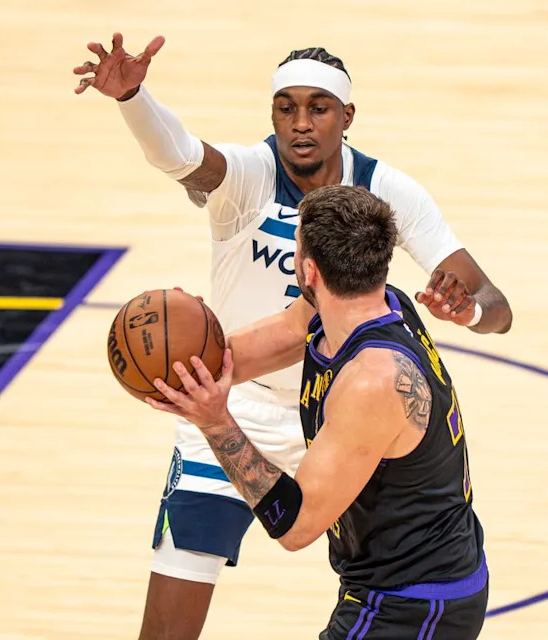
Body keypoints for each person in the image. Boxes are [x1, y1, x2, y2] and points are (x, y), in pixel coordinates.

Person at [73, 33, 508, 639]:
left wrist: (467, 311)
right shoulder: (250, 175)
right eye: (285, 107)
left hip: (337, 417)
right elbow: (181, 157)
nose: (300, 124)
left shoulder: (387, 196)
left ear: (346, 117)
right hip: (242, 399)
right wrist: (194, 387)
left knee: (363, 551)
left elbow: (495, 305)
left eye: (318, 108)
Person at [147, 185, 489, 639]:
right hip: (400, 580)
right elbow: (286, 331)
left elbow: (295, 525)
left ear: (307, 269)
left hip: (412, 603)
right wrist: (190, 353)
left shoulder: (373, 381)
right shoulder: (382, 303)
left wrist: (215, 421)